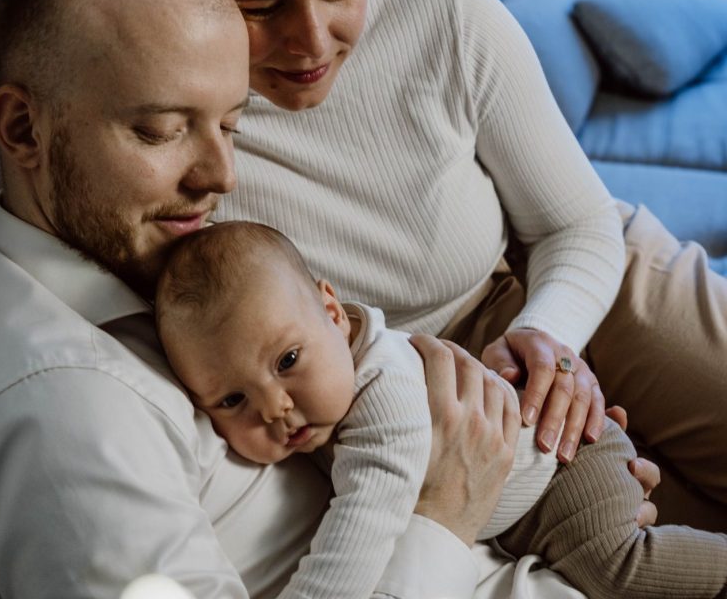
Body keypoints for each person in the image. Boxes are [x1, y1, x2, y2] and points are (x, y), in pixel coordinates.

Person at [0, 0, 528, 598]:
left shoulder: (147, 266)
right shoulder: (67, 419)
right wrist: (449, 510)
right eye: (162, 130)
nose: (221, 177)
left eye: (230, 125)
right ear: (24, 130)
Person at [157, 220, 727, 599]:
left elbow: (366, 520)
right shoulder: (327, 384)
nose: (275, 409)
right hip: (522, 510)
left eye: (287, 361)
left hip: (563, 460)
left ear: (333, 313)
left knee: (620, 567)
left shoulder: (384, 393)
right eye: (232, 400)